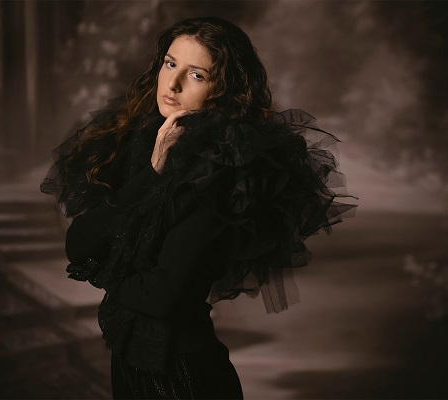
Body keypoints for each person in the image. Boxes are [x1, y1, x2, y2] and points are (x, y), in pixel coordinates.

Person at [41, 16, 355, 399]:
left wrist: (106, 272)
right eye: (170, 64)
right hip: (131, 366)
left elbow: (159, 296)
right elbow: (79, 244)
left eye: (197, 75)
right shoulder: (146, 144)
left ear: (221, 91)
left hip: (180, 378)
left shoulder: (220, 170)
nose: (171, 84)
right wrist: (152, 174)